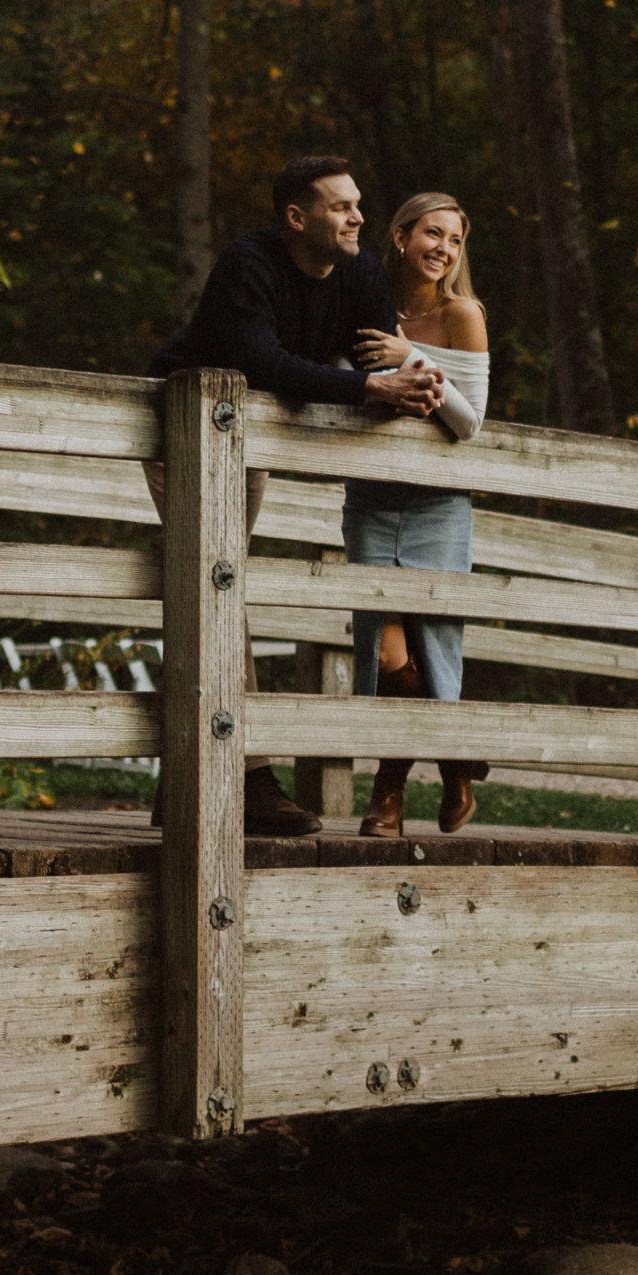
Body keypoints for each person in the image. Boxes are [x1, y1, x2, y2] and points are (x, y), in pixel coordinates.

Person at [148, 156, 445, 836]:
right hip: (187, 436)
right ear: (296, 218)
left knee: (215, 591)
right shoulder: (247, 264)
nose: (358, 217)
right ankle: (248, 778)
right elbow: (261, 363)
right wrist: (371, 390)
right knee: (218, 588)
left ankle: (187, 784)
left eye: (359, 205)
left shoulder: (361, 271)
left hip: (249, 440)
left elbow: (378, 355)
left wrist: (415, 382)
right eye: (342, 207)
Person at [346, 192, 490, 839]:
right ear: (401, 235)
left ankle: (389, 795)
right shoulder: (366, 305)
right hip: (373, 496)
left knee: (434, 650)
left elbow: (468, 422)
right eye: (433, 234)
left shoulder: (463, 315)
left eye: (454, 240)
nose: (443, 249)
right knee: (384, 650)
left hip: (438, 502)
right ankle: (456, 757)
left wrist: (407, 355)